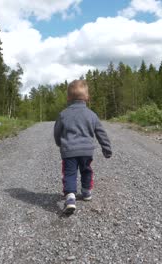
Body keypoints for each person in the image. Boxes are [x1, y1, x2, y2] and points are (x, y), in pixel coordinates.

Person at [53, 79, 112, 214]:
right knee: (86, 170)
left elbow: (57, 132)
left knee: (70, 173)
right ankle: (86, 192)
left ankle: (70, 197)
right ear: (87, 97)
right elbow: (100, 133)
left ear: (68, 98)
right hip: (86, 151)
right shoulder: (92, 115)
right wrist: (106, 148)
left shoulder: (63, 114)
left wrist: (59, 143)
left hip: (68, 151)